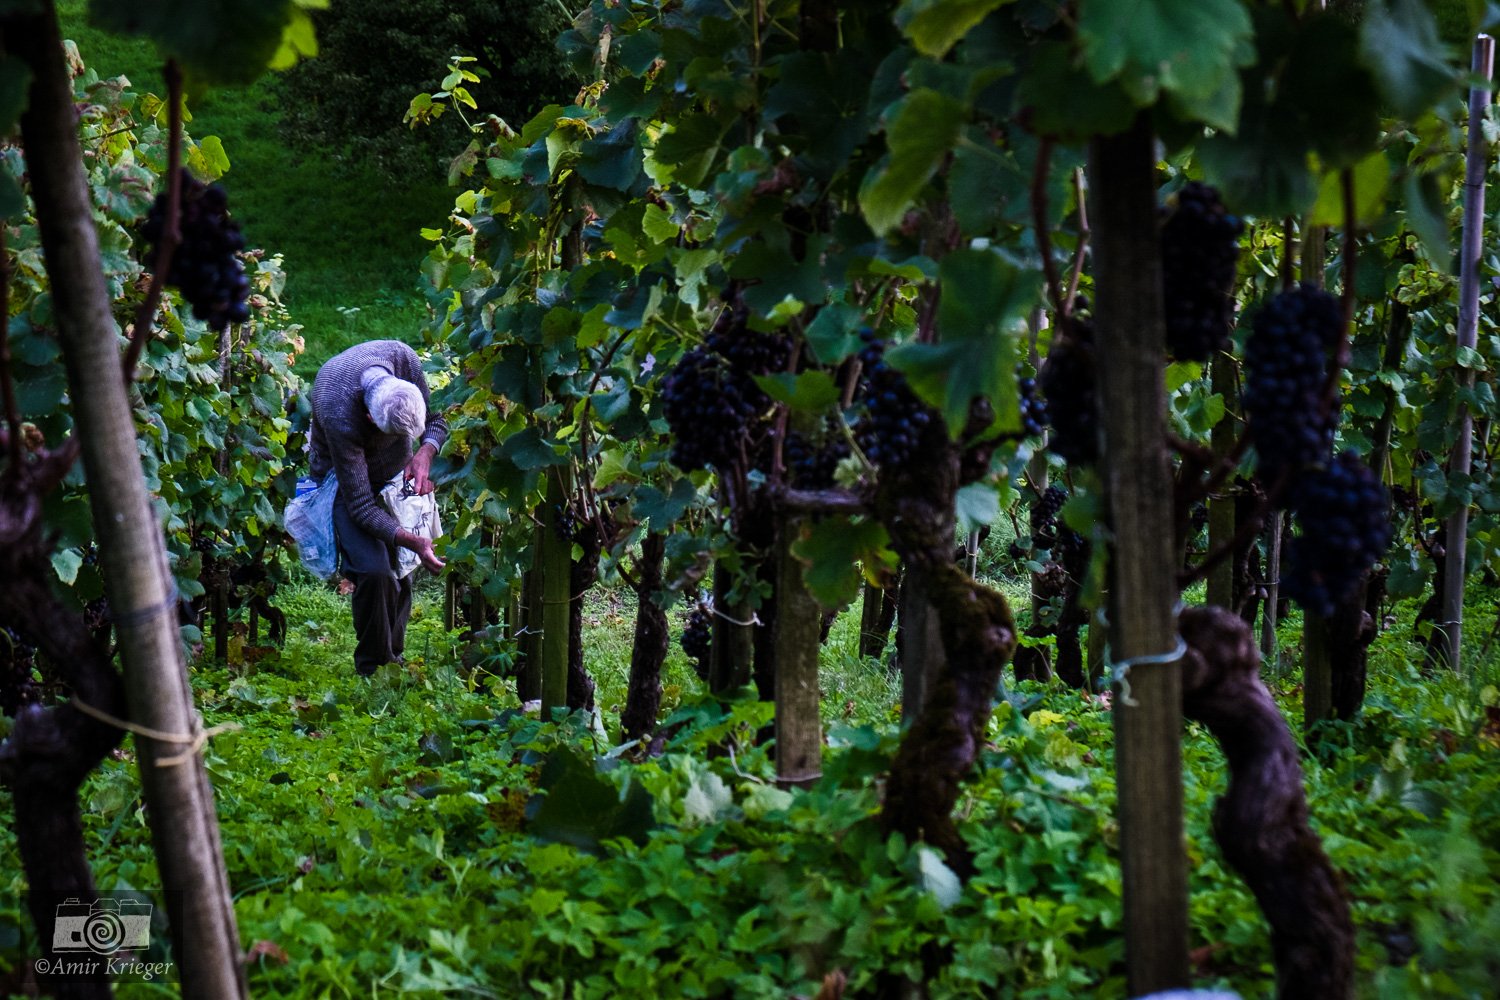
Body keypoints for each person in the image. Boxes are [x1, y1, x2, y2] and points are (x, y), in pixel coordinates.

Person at [308, 340, 447, 675]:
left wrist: (424, 452)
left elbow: (437, 420)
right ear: (370, 417)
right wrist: (411, 539)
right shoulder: (338, 408)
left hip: (395, 476)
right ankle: (373, 667)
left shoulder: (402, 358)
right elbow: (360, 507)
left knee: (400, 572)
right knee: (373, 571)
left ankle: (392, 660)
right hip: (344, 482)